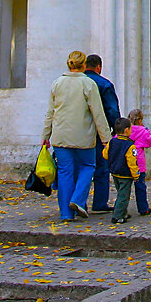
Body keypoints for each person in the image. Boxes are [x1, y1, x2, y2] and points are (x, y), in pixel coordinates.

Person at [42, 50, 111, 221]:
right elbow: (98, 113)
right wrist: (106, 139)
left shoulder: (57, 83)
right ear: (84, 64)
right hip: (83, 137)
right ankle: (78, 199)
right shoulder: (88, 84)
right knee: (88, 166)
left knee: (65, 172)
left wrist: (45, 135)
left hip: (60, 136)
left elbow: (50, 112)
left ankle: (66, 213)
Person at [84, 54, 121, 212]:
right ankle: (99, 203)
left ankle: (80, 202)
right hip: (100, 132)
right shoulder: (104, 84)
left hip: (81, 132)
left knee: (82, 168)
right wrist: (116, 127)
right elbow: (112, 109)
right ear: (99, 67)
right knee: (101, 166)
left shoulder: (78, 83)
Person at [101, 117, 139, 224]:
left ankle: (123, 212)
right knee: (124, 195)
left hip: (114, 172)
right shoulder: (130, 145)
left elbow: (105, 155)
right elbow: (132, 162)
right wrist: (136, 175)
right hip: (126, 175)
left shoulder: (112, 142)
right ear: (126, 130)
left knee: (120, 192)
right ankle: (117, 216)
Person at [127, 108, 151, 216]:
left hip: (126, 162)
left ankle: (121, 208)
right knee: (140, 186)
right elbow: (150, 141)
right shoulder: (142, 131)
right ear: (140, 120)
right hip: (138, 162)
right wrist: (146, 130)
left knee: (125, 188)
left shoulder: (125, 130)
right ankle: (143, 208)